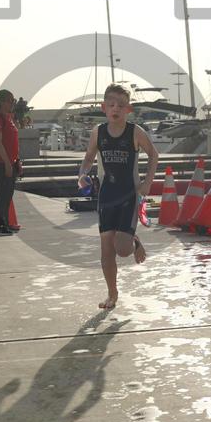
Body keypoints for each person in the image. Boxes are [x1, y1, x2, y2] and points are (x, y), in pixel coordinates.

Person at [78, 83, 159, 310]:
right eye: (111, 104)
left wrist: (147, 183)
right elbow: (88, 157)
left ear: (128, 110)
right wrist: (82, 175)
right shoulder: (98, 132)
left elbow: (154, 155)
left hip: (128, 196)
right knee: (106, 250)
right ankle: (112, 293)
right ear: (103, 107)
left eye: (121, 105)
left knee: (122, 249)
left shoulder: (135, 132)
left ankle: (134, 241)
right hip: (106, 196)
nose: (116, 108)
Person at [0, 89, 21, 236]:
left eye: (13, 101)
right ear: (1, 102)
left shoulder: (8, 118)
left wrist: (16, 161)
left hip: (10, 162)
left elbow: (12, 142)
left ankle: (5, 223)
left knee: (8, 194)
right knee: (2, 194)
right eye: (9, 101)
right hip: (0, 162)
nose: (12, 104)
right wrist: (7, 163)